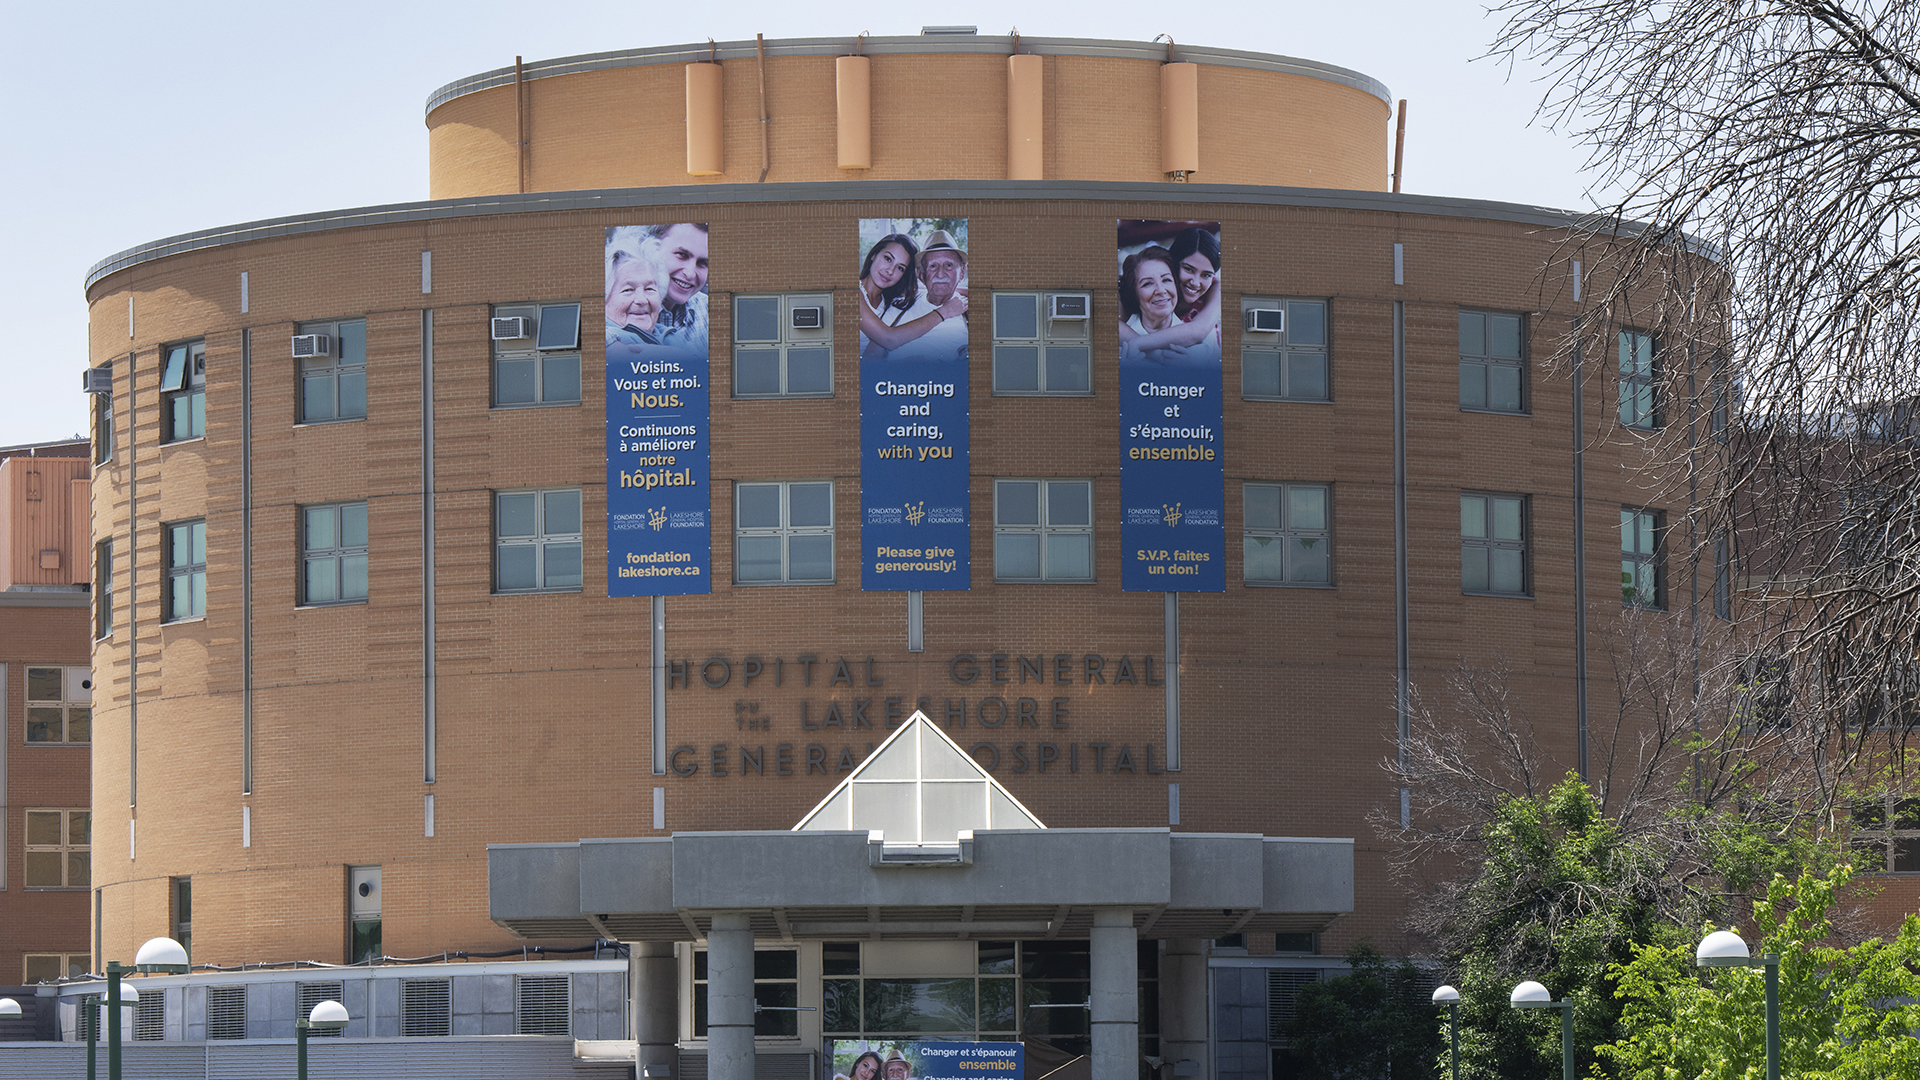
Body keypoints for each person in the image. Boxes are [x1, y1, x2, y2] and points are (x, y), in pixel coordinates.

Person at [1119, 227, 1221, 362]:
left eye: (1206, 275)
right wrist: (1153, 356)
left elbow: (1198, 331)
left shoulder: (1213, 291)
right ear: (1173, 264)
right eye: (1189, 269)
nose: (1196, 283)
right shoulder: (1134, 300)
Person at [860, 232, 965, 360]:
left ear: (962, 272)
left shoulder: (890, 299)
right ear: (873, 255)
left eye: (900, 268)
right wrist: (943, 311)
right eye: (888, 259)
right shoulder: (852, 293)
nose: (890, 271)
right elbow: (888, 340)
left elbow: (932, 286)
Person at [647, 222, 709, 355]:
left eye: (703, 263)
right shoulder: (615, 311)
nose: (691, 273)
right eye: (682, 255)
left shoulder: (708, 310)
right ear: (651, 249)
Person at [1118, 245, 1187, 362]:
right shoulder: (1117, 347)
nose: (1160, 290)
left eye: (1166, 280)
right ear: (1134, 293)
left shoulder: (1202, 344)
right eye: (1147, 284)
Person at [604, 239, 670, 348]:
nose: (641, 300)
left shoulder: (672, 336)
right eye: (628, 290)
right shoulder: (607, 339)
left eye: (649, 289)